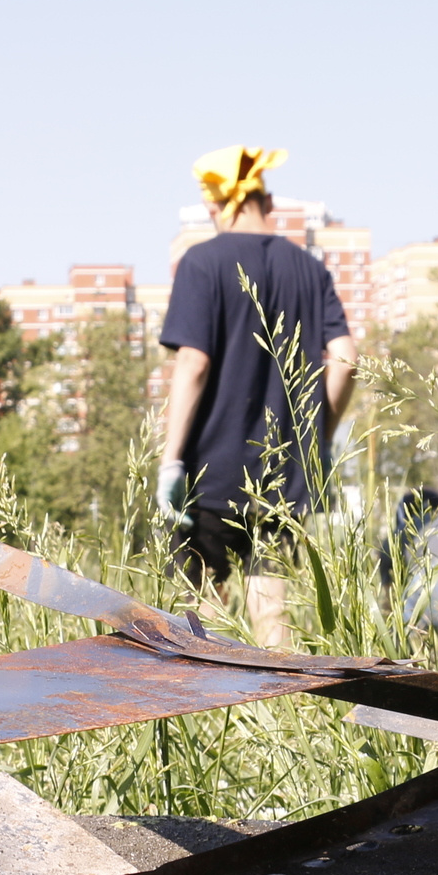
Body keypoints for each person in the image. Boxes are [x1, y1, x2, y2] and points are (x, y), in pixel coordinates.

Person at [156, 146, 359, 648]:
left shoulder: (201, 263)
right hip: (286, 474)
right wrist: (319, 443)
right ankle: (286, 722)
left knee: (200, 628)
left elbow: (193, 363)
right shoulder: (310, 270)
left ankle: (208, 720)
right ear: (264, 198)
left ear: (218, 205)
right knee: (274, 621)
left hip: (212, 476)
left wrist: (170, 461)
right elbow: (346, 358)